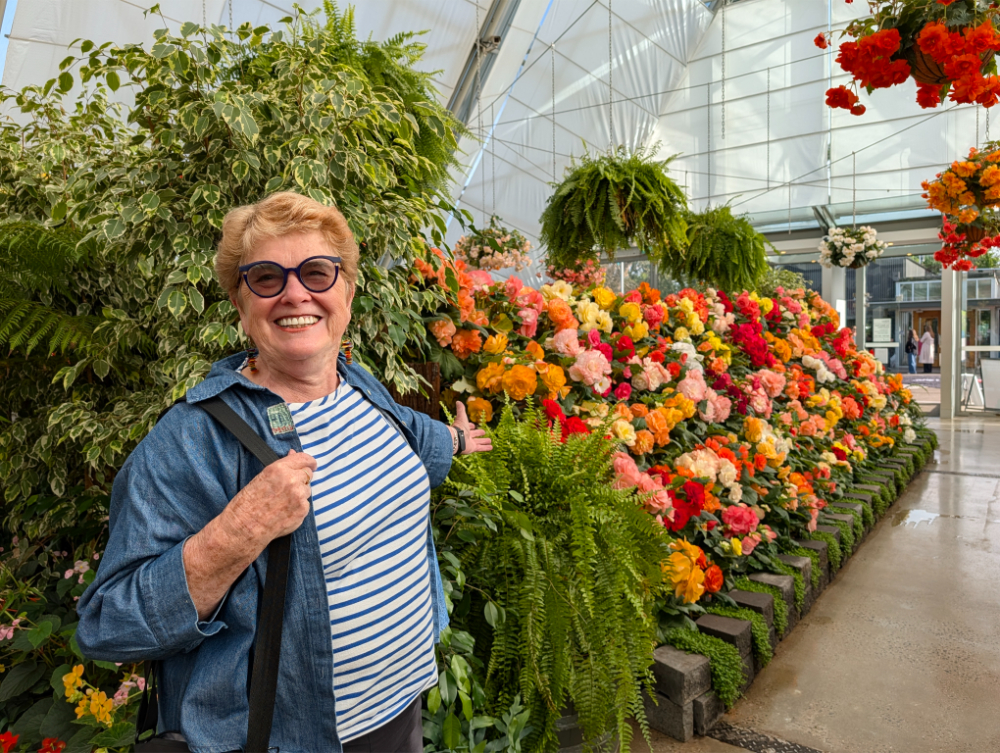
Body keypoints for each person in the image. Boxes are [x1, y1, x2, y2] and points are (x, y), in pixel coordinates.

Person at [76, 192, 492, 753]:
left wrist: (459, 440)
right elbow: (110, 623)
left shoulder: (360, 386)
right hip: (297, 735)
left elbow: (410, 440)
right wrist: (238, 532)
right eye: (267, 278)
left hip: (403, 703)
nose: (296, 293)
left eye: (318, 273)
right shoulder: (195, 439)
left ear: (346, 291)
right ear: (240, 304)